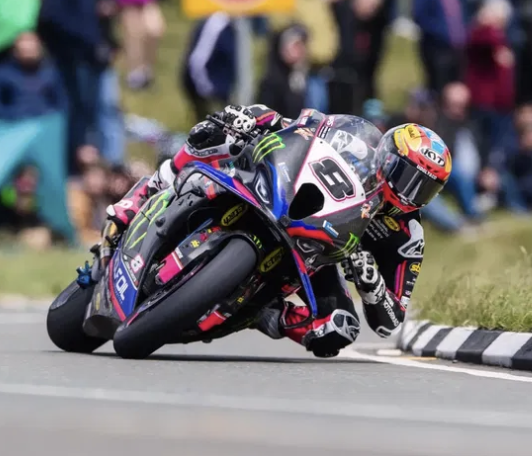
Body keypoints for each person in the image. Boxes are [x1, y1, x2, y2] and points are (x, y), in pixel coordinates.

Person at [94, 104, 452, 358]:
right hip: (281, 194)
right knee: (214, 139)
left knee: (340, 328)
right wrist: (253, 118)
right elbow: (304, 123)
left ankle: (263, 314)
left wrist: (372, 286)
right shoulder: (356, 147)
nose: (410, 193)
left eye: (425, 188)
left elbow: (391, 322)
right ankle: (141, 198)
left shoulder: (408, 235)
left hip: (323, 255)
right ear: (387, 156)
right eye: (407, 177)